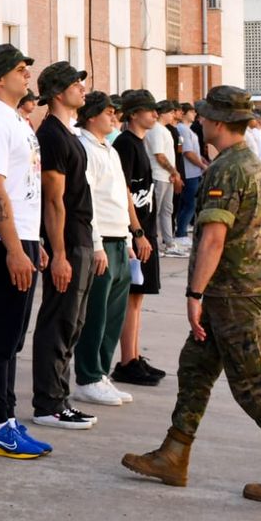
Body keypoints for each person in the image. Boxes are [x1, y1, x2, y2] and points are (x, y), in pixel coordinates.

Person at [122, 86, 261, 507]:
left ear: (221, 122)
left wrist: (195, 293)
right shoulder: (244, 160)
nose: (201, 121)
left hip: (231, 293)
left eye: (207, 116)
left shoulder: (228, 167)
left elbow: (213, 237)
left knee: (253, 385)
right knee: (195, 367)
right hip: (233, 290)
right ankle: (174, 453)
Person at [0, 44, 53, 460]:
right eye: (20, 70)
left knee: (14, 336)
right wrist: (16, 249)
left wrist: (33, 243)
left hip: (20, 237)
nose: (27, 76)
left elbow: (23, 188)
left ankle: (8, 419)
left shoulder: (14, 120)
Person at [28, 62, 97, 431]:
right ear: (58, 92)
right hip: (67, 241)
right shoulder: (52, 135)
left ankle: (60, 397)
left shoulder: (67, 132)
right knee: (59, 320)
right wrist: (58, 254)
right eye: (75, 84)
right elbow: (52, 200)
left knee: (74, 322)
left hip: (80, 236)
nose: (82, 89)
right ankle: (49, 403)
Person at [72, 92, 148, 407]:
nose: (113, 117)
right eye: (107, 112)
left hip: (119, 239)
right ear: (91, 116)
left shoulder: (110, 149)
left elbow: (120, 195)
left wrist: (130, 239)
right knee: (96, 314)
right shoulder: (85, 147)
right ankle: (87, 376)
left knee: (114, 314)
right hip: (101, 240)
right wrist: (98, 245)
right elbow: (87, 200)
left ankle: (101, 373)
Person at [112, 90, 165, 387]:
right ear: (133, 114)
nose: (154, 114)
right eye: (149, 109)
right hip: (137, 233)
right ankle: (126, 362)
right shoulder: (125, 145)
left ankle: (133, 356)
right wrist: (137, 233)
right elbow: (124, 192)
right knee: (131, 298)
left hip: (146, 231)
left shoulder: (139, 143)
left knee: (138, 298)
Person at [147, 101, 184, 261]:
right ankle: (154, 242)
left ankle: (169, 242)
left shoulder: (164, 130)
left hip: (167, 176)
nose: (172, 115)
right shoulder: (156, 130)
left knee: (167, 210)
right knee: (155, 211)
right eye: (170, 112)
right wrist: (174, 172)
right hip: (159, 175)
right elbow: (159, 155)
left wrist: (173, 173)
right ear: (162, 113)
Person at [174, 104, 206, 245]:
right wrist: (201, 165)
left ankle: (183, 229)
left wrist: (202, 160)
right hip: (189, 172)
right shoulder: (182, 129)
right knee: (189, 204)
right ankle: (180, 233)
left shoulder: (188, 130)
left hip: (194, 171)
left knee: (190, 203)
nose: (194, 114)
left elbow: (195, 151)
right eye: (192, 111)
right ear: (185, 113)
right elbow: (187, 152)